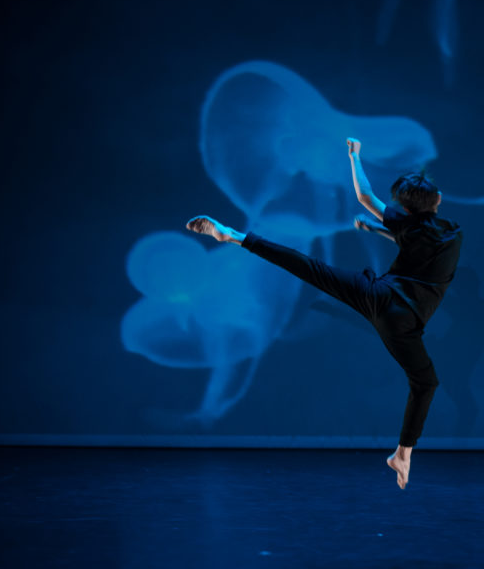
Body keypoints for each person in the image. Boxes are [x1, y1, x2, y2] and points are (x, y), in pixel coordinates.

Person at [186, 138, 462, 489]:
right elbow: (416, 241)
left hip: (375, 295)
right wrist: (379, 229)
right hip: (403, 322)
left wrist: (354, 156)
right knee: (425, 383)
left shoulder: (405, 224)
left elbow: (366, 197)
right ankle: (403, 454)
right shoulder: (453, 234)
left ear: (405, 210)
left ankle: (234, 236)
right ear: (438, 201)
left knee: (309, 268)